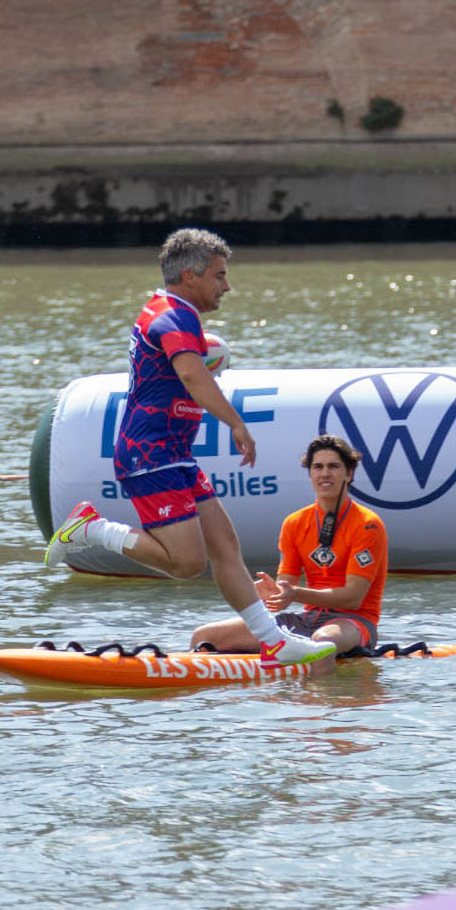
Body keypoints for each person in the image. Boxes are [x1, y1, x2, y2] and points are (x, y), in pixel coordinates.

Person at [44, 227, 337, 667]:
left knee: (226, 546)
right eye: (219, 276)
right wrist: (236, 423)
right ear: (189, 275)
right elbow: (192, 378)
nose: (226, 286)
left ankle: (274, 643)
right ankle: (90, 529)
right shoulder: (173, 316)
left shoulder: (175, 314)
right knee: (185, 564)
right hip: (150, 453)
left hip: (174, 452)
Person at [191, 434, 388, 661]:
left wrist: (294, 594)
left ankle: (318, 696)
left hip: (353, 623)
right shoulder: (294, 523)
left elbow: (353, 598)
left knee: (320, 643)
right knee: (204, 636)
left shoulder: (367, 524)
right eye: (318, 467)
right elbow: (285, 588)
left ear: (349, 473)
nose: (325, 473)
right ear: (310, 473)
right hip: (307, 618)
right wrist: (269, 593)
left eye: (333, 466)